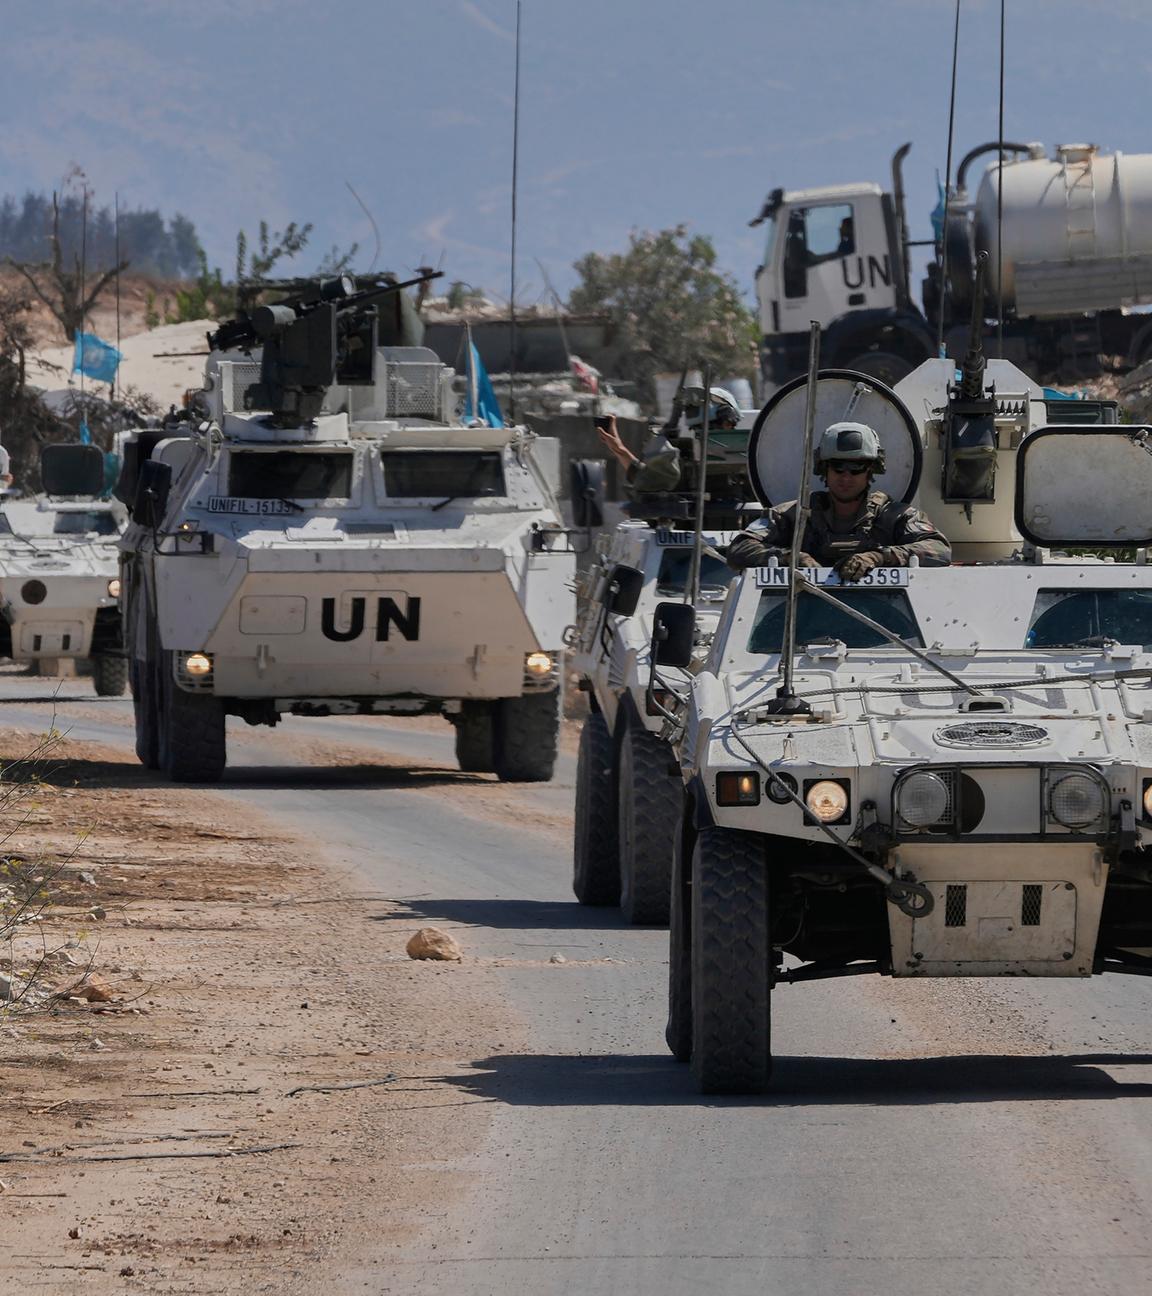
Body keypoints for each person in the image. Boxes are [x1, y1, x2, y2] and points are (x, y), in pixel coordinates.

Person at [726, 421, 950, 581]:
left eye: (856, 468)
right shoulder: (793, 515)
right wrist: (790, 557)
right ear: (824, 470)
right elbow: (739, 549)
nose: (846, 477)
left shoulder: (894, 516)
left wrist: (879, 557)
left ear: (870, 471)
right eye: (838, 467)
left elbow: (940, 550)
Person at [595, 388, 742, 496]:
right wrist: (618, 448)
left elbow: (646, 480)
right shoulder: (681, 457)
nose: (731, 430)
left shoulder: (742, 461)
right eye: (729, 424)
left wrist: (619, 449)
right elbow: (647, 480)